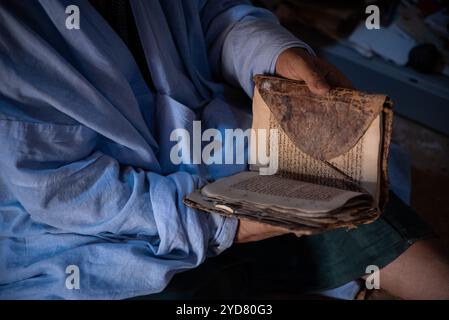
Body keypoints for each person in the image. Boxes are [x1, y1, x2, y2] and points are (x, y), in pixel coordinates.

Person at [0, 0, 448, 300]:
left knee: (349, 196)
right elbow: (70, 192)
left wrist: (277, 55)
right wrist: (226, 222)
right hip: (90, 230)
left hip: (213, 150)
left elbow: (214, 13)